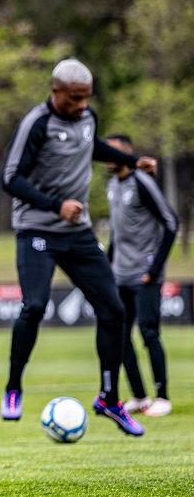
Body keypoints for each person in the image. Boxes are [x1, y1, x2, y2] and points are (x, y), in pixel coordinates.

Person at [0, 58, 159, 436]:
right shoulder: (37, 123)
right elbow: (10, 178)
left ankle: (109, 398)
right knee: (35, 305)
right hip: (37, 229)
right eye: (75, 98)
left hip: (78, 232)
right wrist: (56, 206)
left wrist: (132, 161)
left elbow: (93, 146)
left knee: (113, 310)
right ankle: (13, 389)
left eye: (87, 98)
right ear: (56, 91)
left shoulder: (88, 118)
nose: (82, 105)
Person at [105, 134, 178, 417]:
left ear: (129, 153)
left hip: (145, 275)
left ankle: (163, 397)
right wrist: (107, 267)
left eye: (115, 151)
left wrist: (155, 269)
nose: (108, 157)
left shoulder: (142, 182)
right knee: (120, 336)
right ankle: (139, 396)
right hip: (120, 275)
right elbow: (117, 232)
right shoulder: (112, 185)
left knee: (149, 333)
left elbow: (172, 222)